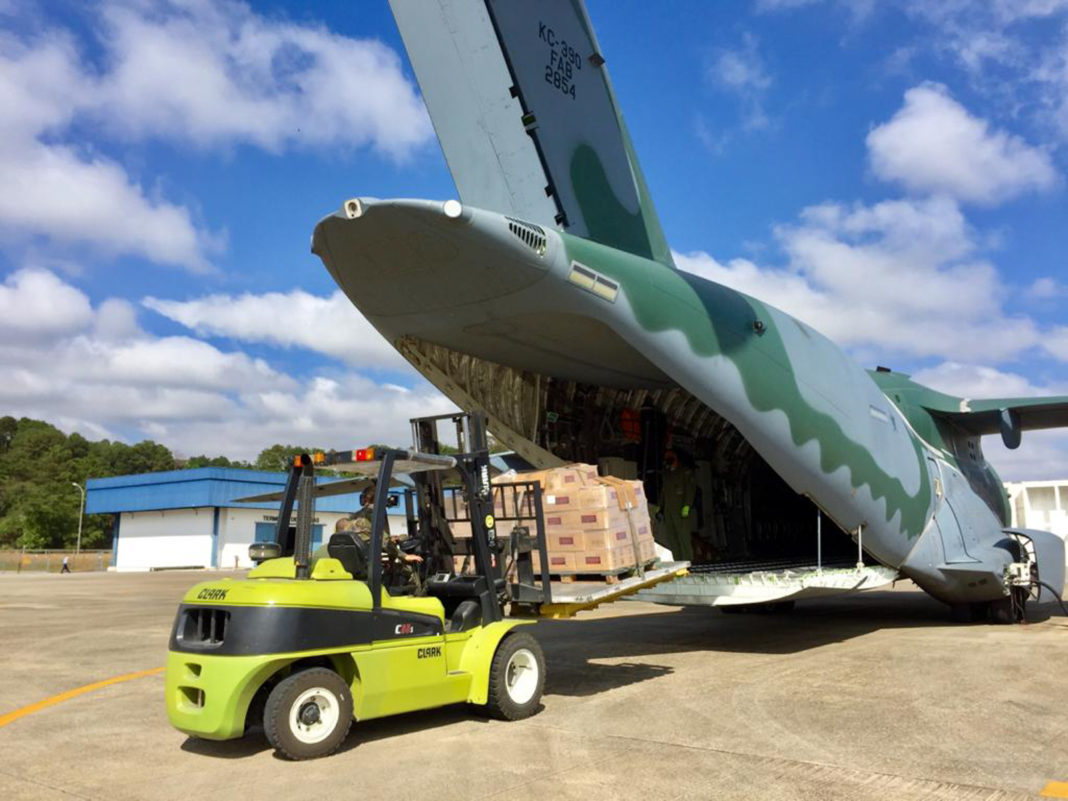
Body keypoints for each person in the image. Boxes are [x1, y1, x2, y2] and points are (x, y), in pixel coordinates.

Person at [338, 484, 422, 590]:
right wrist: (404, 556)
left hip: (355, 564)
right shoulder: (373, 516)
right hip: (368, 566)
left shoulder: (353, 518)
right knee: (408, 571)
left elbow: (366, 536)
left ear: (365, 499)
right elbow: (384, 541)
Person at [660, 450, 696, 562]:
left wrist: (687, 506)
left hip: (680, 510)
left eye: (669, 456)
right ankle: (678, 562)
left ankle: (688, 561)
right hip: (669, 511)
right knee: (672, 537)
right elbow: (664, 491)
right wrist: (660, 507)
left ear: (675, 456)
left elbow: (690, 489)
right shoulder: (666, 473)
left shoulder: (684, 471)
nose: (667, 458)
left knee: (683, 537)